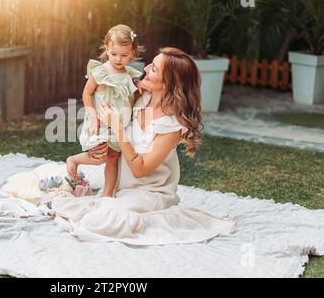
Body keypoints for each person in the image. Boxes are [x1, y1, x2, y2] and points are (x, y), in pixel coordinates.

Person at [50, 47, 237, 246]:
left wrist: (118, 127)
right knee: (83, 207)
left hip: (149, 192)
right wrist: (99, 145)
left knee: (103, 219)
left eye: (154, 69)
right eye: (150, 63)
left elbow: (140, 170)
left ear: (169, 83)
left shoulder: (171, 126)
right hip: (120, 186)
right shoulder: (142, 96)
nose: (146, 68)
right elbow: (102, 93)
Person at [66, 24, 145, 197]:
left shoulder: (130, 76)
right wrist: (92, 116)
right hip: (100, 121)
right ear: (107, 49)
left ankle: (107, 193)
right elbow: (87, 93)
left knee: (113, 158)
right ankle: (74, 159)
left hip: (119, 124)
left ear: (133, 52)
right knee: (100, 155)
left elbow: (130, 99)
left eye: (124, 55)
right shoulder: (100, 72)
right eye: (113, 54)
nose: (118, 59)